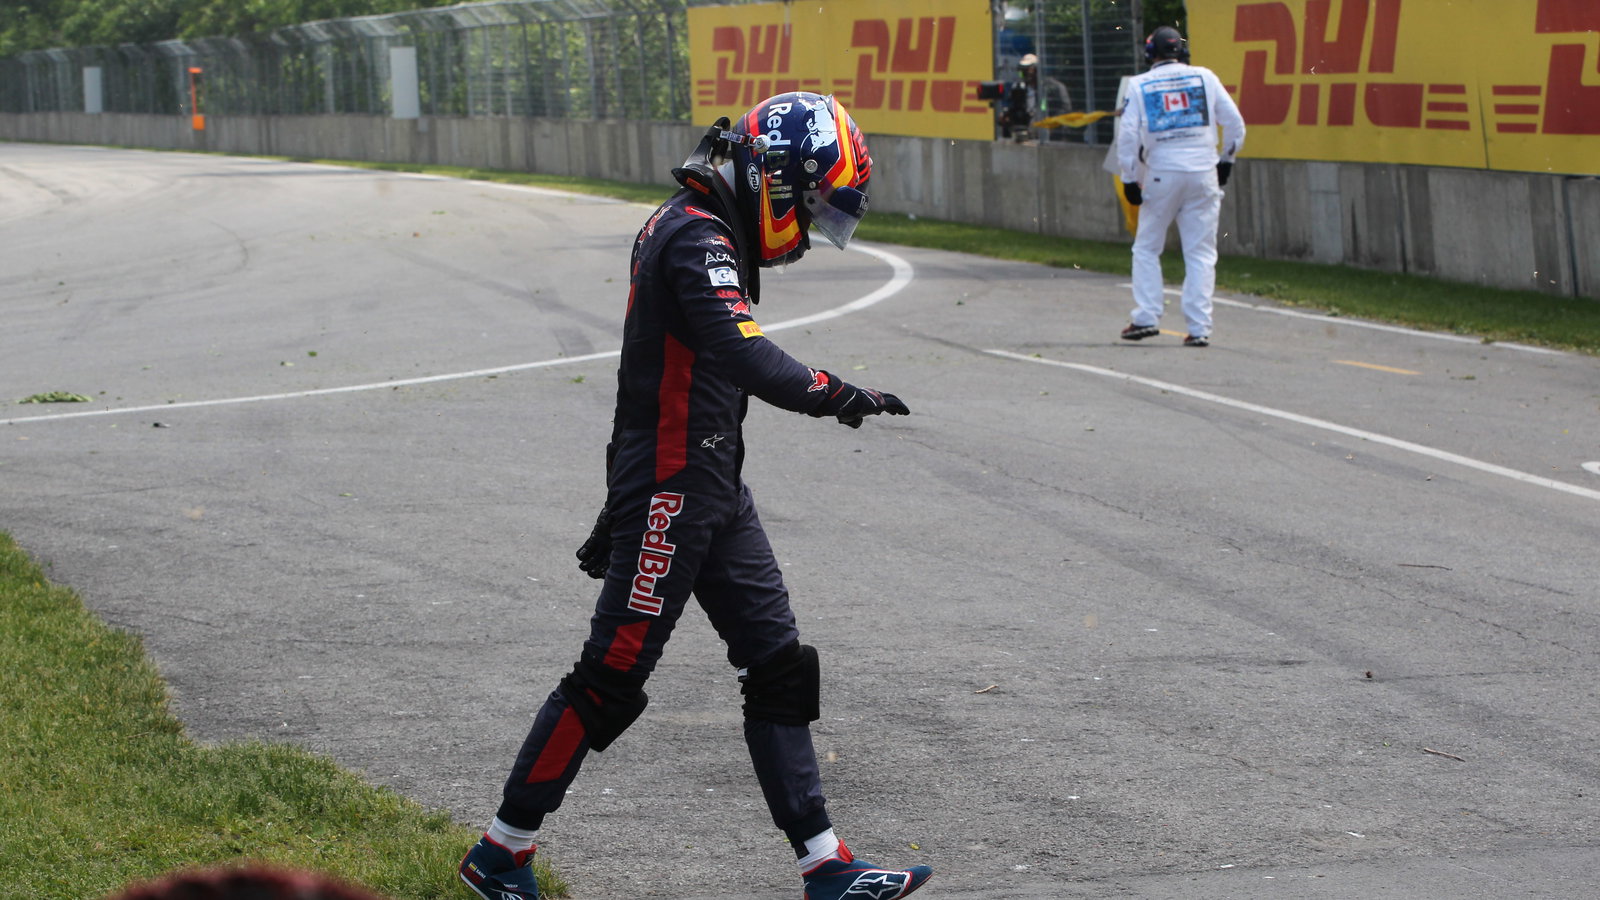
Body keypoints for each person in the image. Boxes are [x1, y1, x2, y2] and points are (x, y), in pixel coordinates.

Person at [456, 92, 932, 900]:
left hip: (713, 484)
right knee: (609, 676)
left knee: (781, 667)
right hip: (671, 492)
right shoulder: (693, 232)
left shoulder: (711, 224)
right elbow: (741, 353)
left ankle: (826, 866)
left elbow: (683, 369)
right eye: (811, 208)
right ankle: (500, 854)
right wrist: (837, 392)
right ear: (780, 179)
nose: (809, 231)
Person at [1116, 26, 1245, 348]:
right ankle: (1199, 327)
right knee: (1201, 253)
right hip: (1203, 173)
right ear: (1181, 51)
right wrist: (1226, 161)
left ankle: (1146, 317)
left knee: (1147, 247)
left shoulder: (1140, 84)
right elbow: (1235, 124)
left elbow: (1128, 135)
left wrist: (1129, 177)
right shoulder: (1205, 77)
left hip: (1162, 174)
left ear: (1151, 54)